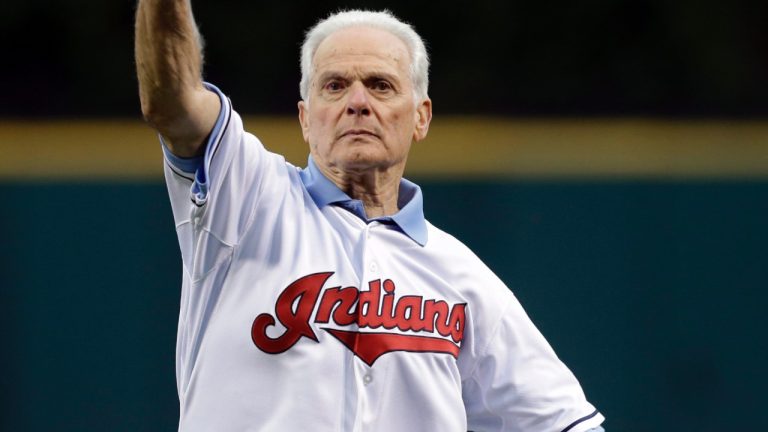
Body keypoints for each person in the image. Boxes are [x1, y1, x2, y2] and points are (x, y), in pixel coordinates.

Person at [135, 1, 606, 431]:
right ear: (305, 117)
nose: (357, 102)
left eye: (380, 85)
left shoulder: (464, 278)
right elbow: (172, 102)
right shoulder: (249, 196)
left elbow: (565, 422)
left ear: (421, 117)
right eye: (335, 86)